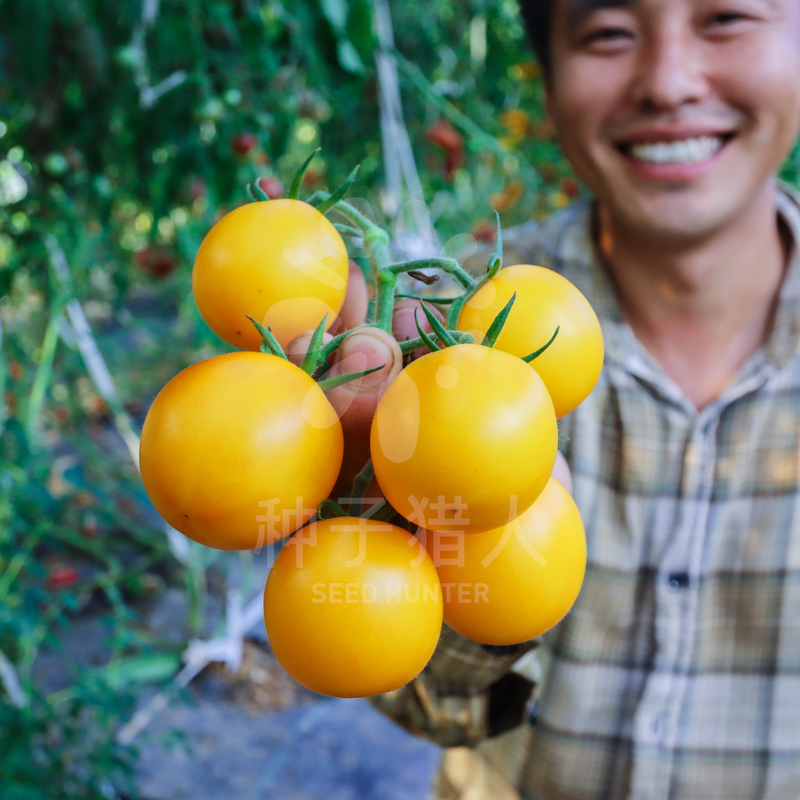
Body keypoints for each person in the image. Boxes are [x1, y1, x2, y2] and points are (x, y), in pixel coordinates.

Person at [292, 0, 800, 797]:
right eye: (609, 32)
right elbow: (407, 688)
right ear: (551, 81)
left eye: (728, 16)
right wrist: (384, 516)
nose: (668, 81)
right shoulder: (430, 342)